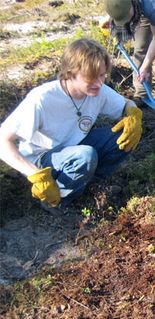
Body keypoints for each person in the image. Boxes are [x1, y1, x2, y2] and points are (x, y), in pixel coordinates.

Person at [0, 38, 142, 214]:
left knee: (121, 137)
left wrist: (134, 114)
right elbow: (2, 140)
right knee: (84, 156)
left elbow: (126, 104)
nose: (99, 83)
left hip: (74, 148)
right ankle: (56, 200)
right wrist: (35, 175)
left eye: (102, 75)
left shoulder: (98, 91)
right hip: (42, 159)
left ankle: (90, 185)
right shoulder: (42, 99)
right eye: (90, 77)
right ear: (70, 73)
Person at [104, 0, 155, 105]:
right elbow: (116, 6)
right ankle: (142, 94)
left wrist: (145, 67)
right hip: (140, 7)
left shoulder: (152, 4)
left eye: (126, 16)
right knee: (140, 46)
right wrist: (114, 16)